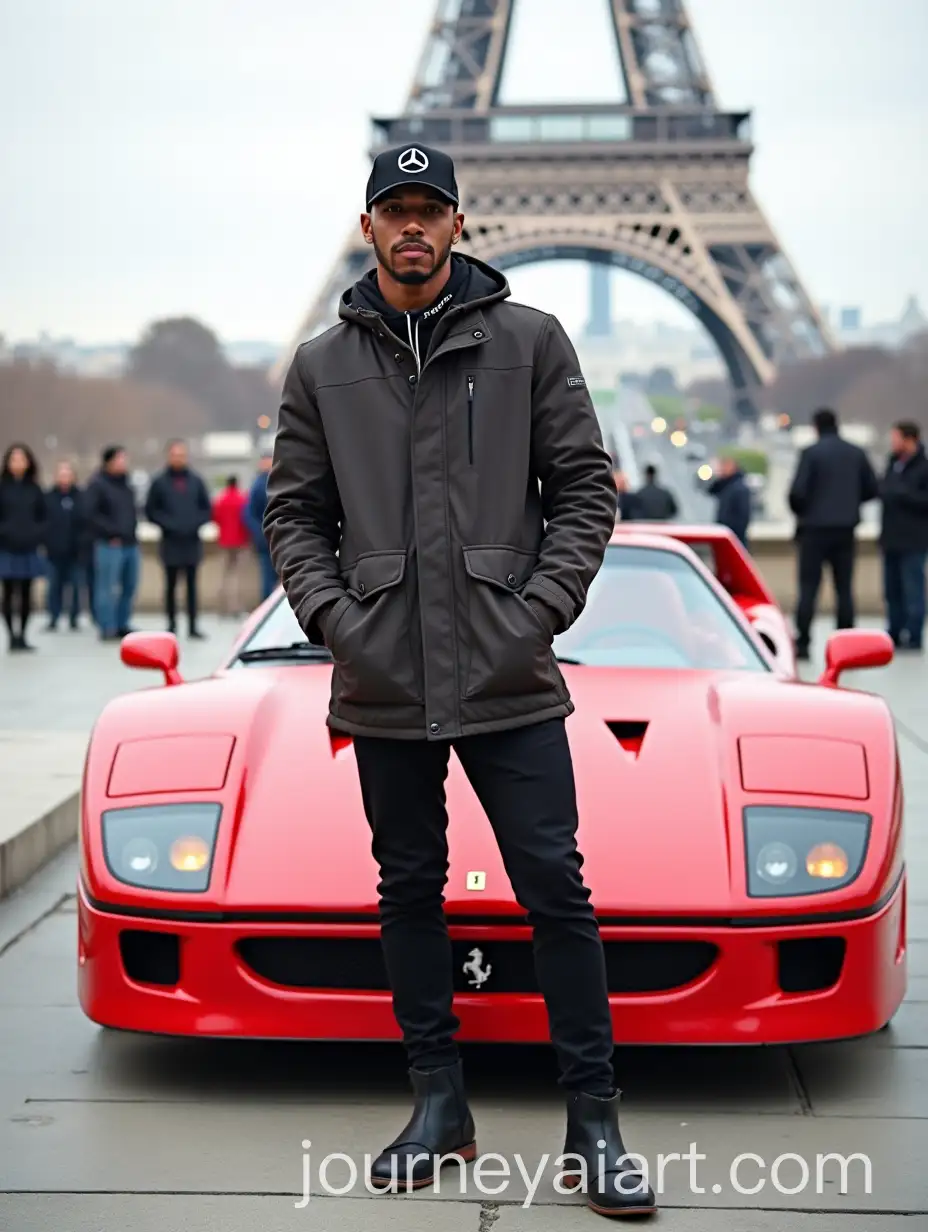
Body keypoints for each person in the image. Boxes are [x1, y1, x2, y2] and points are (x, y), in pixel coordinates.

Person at [263, 143, 655, 1216]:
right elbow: (293, 512)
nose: (413, 226)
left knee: (554, 890)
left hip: (508, 668)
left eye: (429, 209)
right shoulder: (320, 365)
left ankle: (594, 1116)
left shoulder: (530, 342)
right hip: (383, 668)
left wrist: (537, 611)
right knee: (407, 889)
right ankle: (439, 1100)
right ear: (369, 224)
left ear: (457, 222)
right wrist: (338, 621)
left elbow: (584, 488)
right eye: (396, 209)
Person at [788, 407, 878, 659]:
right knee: (845, 589)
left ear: (816, 427)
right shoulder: (856, 453)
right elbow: (872, 488)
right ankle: (846, 643)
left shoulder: (811, 453)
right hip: (845, 529)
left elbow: (797, 493)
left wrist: (805, 512)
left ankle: (804, 643)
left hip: (814, 530)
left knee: (808, 589)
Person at [144, 439, 212, 638]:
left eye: (181, 455)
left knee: (192, 587)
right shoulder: (159, 482)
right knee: (170, 586)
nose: (178, 458)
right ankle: (171, 624)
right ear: (168, 456)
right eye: (175, 455)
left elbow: (206, 509)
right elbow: (151, 511)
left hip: (191, 541)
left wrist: (193, 524)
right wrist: (170, 525)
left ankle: (192, 625)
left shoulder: (196, 481)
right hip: (170, 541)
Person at [878, 420, 928, 651]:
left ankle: (914, 633)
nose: (893, 443)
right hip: (891, 538)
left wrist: (901, 494)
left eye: (896, 438)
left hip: (913, 539)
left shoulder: (923, 467)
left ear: (910, 440)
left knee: (913, 588)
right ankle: (895, 630)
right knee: (892, 590)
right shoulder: (892, 463)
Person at [84, 445, 139, 641]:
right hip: (109, 544)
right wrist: (110, 532)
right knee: (106, 587)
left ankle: (122, 623)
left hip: (130, 543)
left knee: (129, 585)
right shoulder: (97, 485)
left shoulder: (127, 484)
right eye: (119, 459)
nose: (123, 463)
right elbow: (90, 515)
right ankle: (107, 625)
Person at [0, 442, 47, 651]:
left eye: (21, 459)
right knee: (9, 593)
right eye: (14, 459)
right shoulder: (2, 488)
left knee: (27, 593)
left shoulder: (35, 489)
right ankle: (11, 635)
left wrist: (35, 534)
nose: (18, 463)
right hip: (7, 546)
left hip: (28, 546)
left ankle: (23, 635)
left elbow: (44, 517)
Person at [44, 460, 87, 630]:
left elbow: (86, 523)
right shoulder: (48, 498)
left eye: (67, 474)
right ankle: (53, 616)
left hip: (76, 551)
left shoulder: (81, 498)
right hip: (54, 551)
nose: (64, 478)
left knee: (76, 586)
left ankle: (74, 617)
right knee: (54, 586)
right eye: (61, 475)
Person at [211, 474, 250, 617]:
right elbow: (246, 519)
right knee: (238, 576)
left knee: (224, 575)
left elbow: (215, 518)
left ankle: (222, 607)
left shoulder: (221, 500)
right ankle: (236, 607)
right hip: (240, 540)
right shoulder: (242, 499)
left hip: (224, 541)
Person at [245, 453, 275, 601]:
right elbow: (249, 514)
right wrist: (260, 533)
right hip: (267, 540)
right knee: (268, 580)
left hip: (274, 538)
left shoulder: (263, 483)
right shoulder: (259, 485)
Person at [707, 455, 751, 547]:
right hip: (724, 534)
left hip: (734, 538)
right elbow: (710, 490)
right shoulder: (726, 485)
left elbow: (743, 517)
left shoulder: (739, 488)